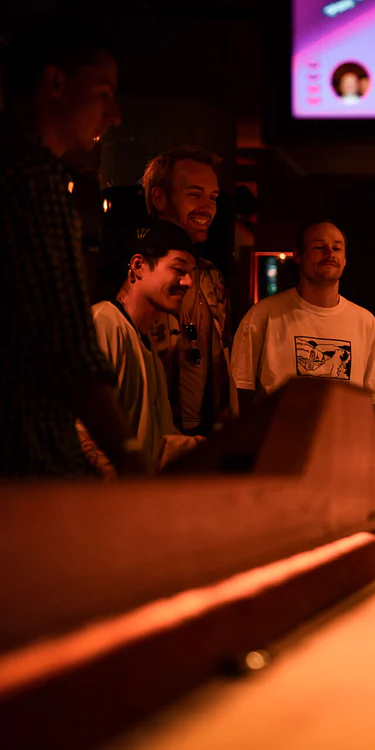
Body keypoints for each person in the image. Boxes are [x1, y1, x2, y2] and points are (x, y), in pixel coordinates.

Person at [0, 22, 148, 477]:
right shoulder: (33, 180)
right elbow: (68, 351)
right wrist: (128, 455)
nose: (116, 113)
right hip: (26, 458)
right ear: (56, 84)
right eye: (104, 92)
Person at [79, 221, 204, 474]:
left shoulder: (148, 351)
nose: (188, 281)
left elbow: (159, 444)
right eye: (179, 268)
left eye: (192, 272)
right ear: (138, 266)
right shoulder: (105, 323)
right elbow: (80, 429)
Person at [231, 220, 375, 411]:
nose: (329, 254)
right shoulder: (262, 315)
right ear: (298, 255)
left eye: (337, 248)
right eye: (319, 246)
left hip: (341, 439)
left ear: (345, 259)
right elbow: (239, 391)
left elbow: (372, 403)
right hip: (280, 439)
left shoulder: (365, 323)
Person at [141, 145, 232, 435]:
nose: (207, 207)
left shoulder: (211, 277)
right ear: (159, 198)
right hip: (147, 442)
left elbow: (224, 365)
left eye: (213, 198)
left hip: (203, 441)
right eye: (195, 194)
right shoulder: (134, 275)